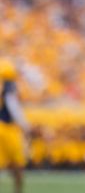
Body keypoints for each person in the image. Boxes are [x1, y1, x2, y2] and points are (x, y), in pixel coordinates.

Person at [0, 59, 27, 193]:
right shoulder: (9, 85)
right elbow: (13, 107)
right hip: (7, 127)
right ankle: (17, 191)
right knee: (18, 164)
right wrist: (24, 124)